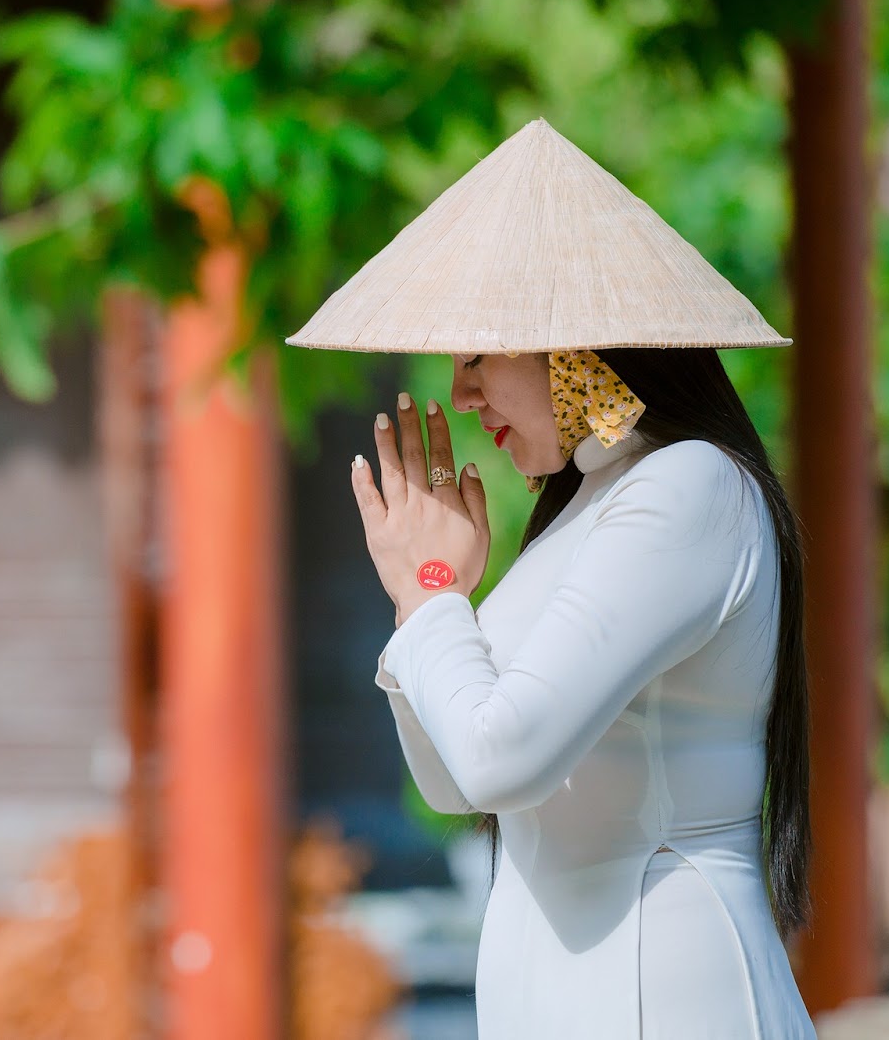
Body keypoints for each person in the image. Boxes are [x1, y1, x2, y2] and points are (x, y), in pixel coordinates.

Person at [290, 119, 814, 1037]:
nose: (459, 392)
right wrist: (423, 595)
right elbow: (457, 782)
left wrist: (439, 599)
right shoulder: (583, 514)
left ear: (573, 348)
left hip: (666, 994)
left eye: (479, 354)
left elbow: (502, 758)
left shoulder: (688, 489)